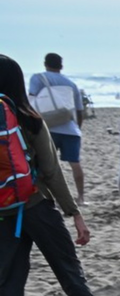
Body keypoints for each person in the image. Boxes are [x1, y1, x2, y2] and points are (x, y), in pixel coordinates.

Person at [0, 54, 102, 296]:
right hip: (37, 206)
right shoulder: (29, 118)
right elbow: (52, 172)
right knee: (68, 270)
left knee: (9, 279)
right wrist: (74, 213)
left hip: (5, 212)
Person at [27, 55, 87, 205]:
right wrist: (77, 128)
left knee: (41, 163)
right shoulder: (71, 84)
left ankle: (44, 196)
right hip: (70, 129)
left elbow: (31, 101)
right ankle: (81, 198)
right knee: (75, 163)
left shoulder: (37, 78)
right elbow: (79, 111)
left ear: (45, 64)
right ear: (61, 66)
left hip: (47, 128)